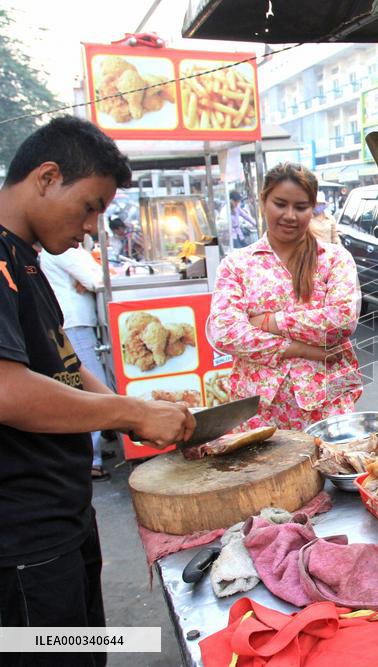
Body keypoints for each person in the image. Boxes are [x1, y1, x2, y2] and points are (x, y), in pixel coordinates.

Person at [0, 116, 195, 667]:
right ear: (45, 177)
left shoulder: (27, 262)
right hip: (20, 540)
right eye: (89, 205)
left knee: (88, 651)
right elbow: (8, 392)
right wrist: (130, 410)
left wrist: (135, 414)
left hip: (61, 520)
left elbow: (62, 364)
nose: (91, 227)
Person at [208, 163, 362, 431]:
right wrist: (302, 349)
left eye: (301, 207)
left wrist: (268, 322)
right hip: (259, 411)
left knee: (338, 470)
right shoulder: (237, 264)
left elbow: (340, 322)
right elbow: (225, 332)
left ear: (312, 208)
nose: (290, 215)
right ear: (263, 202)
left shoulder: (335, 259)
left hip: (329, 405)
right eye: (280, 204)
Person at [38, 243, 117, 481]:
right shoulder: (61, 247)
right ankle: (92, 460)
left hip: (79, 320)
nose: (90, 224)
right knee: (90, 387)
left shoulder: (68, 247)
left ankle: (93, 452)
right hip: (74, 322)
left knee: (93, 384)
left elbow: (95, 277)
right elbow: (97, 279)